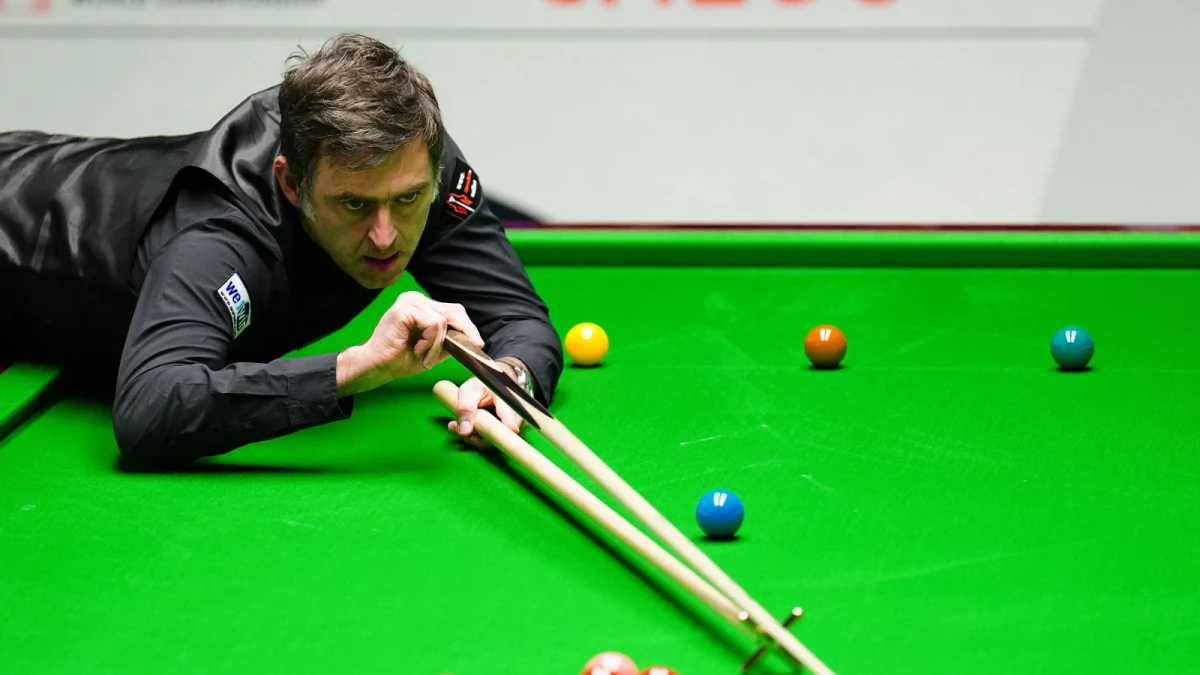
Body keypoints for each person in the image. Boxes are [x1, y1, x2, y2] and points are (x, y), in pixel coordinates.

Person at [0, 33, 563, 464]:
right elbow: (149, 410)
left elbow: (516, 317)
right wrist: (353, 368)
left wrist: (509, 378)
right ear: (291, 183)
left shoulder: (416, 163)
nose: (386, 235)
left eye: (408, 199)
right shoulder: (220, 234)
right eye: (354, 205)